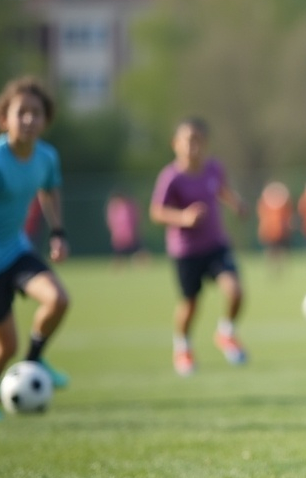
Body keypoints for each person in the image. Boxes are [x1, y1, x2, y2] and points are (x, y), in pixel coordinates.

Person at [0, 76, 72, 421]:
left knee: (58, 299)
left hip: (16, 251)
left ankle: (34, 362)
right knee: (4, 347)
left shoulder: (47, 156)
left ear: (46, 120)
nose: (29, 119)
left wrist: (58, 231)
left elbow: (49, 189)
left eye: (36, 113)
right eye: (21, 112)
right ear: (4, 119)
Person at [149, 117, 249, 376]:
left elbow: (222, 190)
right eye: (189, 140)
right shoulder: (171, 177)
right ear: (175, 144)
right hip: (186, 251)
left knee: (235, 290)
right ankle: (182, 347)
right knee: (190, 304)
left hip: (215, 245)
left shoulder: (214, 168)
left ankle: (226, 333)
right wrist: (183, 217)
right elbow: (157, 212)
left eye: (200, 141)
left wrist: (235, 203)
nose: (194, 146)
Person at [256, 180, 294, 274]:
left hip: (281, 231)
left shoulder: (283, 204)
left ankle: (279, 268)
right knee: (270, 251)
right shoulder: (265, 203)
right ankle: (271, 269)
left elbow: (288, 215)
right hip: (269, 231)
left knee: (281, 251)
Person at [106, 189, 148, 268]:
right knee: (118, 253)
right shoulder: (114, 207)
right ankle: (118, 266)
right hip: (119, 235)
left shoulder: (130, 205)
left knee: (139, 250)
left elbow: (136, 218)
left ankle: (142, 265)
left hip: (131, 233)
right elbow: (111, 221)